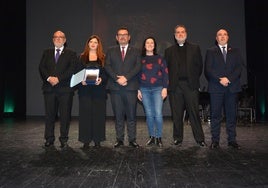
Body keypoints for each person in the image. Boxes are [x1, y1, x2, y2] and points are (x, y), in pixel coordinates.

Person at [164, 25, 206, 147]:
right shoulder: (169, 51)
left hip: (190, 86)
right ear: (174, 35)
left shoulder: (195, 48)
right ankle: (177, 138)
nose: (180, 34)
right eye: (178, 32)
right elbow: (166, 70)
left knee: (194, 113)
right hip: (175, 87)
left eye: (182, 32)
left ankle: (200, 139)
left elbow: (199, 67)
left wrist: (193, 80)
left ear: (186, 34)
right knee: (176, 114)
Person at [204, 29, 243, 149]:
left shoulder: (235, 51)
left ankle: (232, 140)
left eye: (224, 34)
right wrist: (220, 79)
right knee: (215, 115)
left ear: (228, 37)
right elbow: (208, 69)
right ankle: (215, 141)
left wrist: (228, 79)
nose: (222, 36)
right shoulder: (211, 51)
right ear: (216, 38)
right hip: (216, 87)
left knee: (231, 115)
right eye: (219, 35)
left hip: (232, 87)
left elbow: (238, 68)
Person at [39, 30, 77, 149]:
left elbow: (72, 70)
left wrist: (58, 79)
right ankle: (49, 139)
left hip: (65, 90)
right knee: (50, 115)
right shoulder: (47, 52)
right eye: (56, 37)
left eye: (61, 37)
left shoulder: (71, 53)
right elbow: (41, 67)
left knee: (65, 116)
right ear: (53, 39)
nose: (58, 39)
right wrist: (49, 78)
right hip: (49, 89)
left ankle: (64, 139)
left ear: (65, 40)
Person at [105, 26, 141, 148]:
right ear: (116, 37)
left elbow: (138, 67)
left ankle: (132, 140)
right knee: (118, 115)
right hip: (115, 88)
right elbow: (107, 66)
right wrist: (117, 78)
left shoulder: (136, 51)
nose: (122, 36)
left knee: (131, 115)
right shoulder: (110, 50)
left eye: (125, 34)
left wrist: (126, 78)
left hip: (130, 87)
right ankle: (119, 139)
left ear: (129, 37)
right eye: (120, 35)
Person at [76, 35, 107, 149]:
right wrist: (81, 81)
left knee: (98, 116)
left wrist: (101, 79)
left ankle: (98, 140)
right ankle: (86, 141)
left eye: (95, 42)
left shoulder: (103, 58)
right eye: (91, 42)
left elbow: (106, 74)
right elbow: (76, 73)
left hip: (99, 91)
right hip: (85, 91)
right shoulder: (81, 57)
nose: (93, 44)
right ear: (88, 44)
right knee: (85, 116)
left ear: (98, 45)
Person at [137, 37, 169, 148]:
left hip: (158, 89)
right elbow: (137, 75)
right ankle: (152, 136)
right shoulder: (140, 59)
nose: (150, 44)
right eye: (147, 43)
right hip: (144, 89)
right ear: (144, 46)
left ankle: (159, 137)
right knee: (149, 115)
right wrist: (138, 90)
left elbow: (165, 74)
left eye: (152, 43)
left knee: (158, 114)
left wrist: (165, 88)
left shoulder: (160, 59)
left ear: (154, 45)